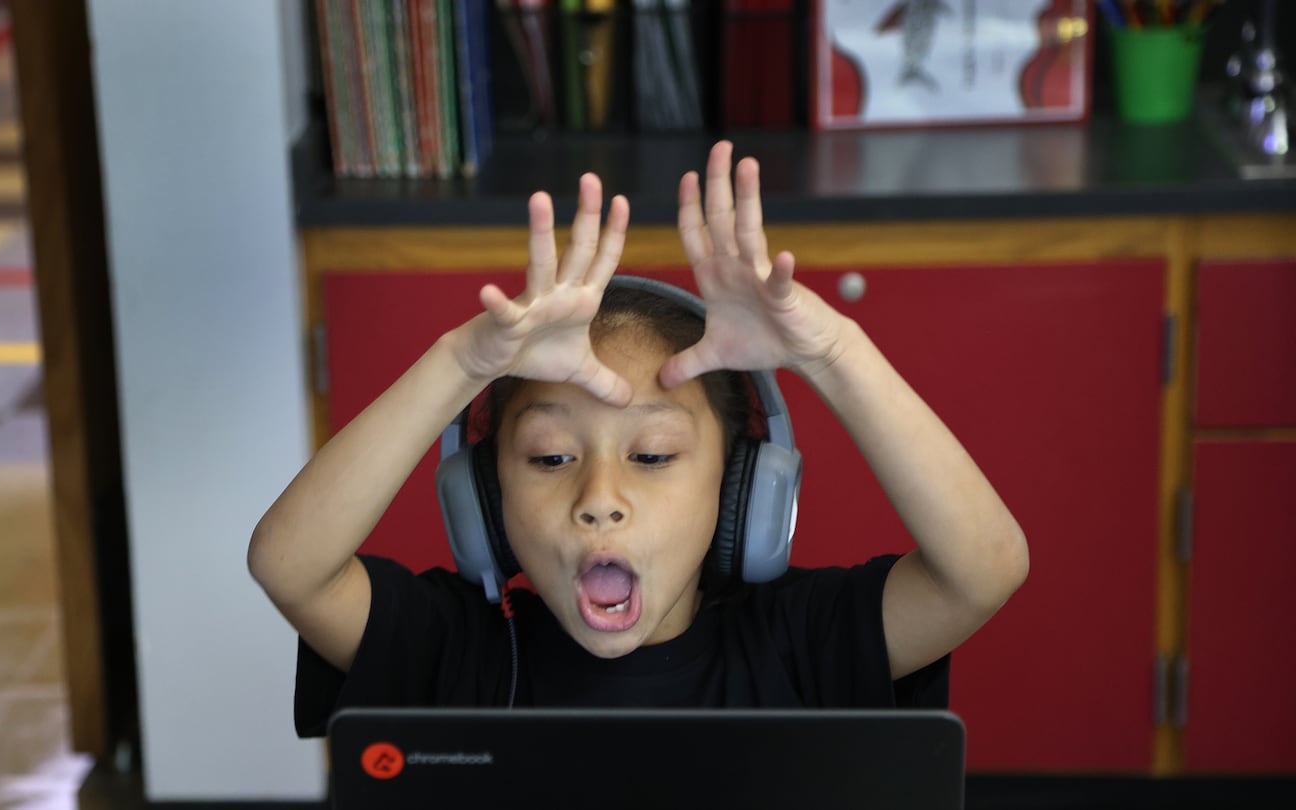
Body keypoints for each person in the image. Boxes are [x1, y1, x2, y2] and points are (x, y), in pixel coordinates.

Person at [247, 142, 1029, 737]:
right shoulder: (457, 653)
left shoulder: (798, 644)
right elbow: (290, 566)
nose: (599, 501)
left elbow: (981, 571)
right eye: (551, 458)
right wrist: (460, 363)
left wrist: (834, 354)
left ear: (740, 493)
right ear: (484, 500)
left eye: (652, 456)